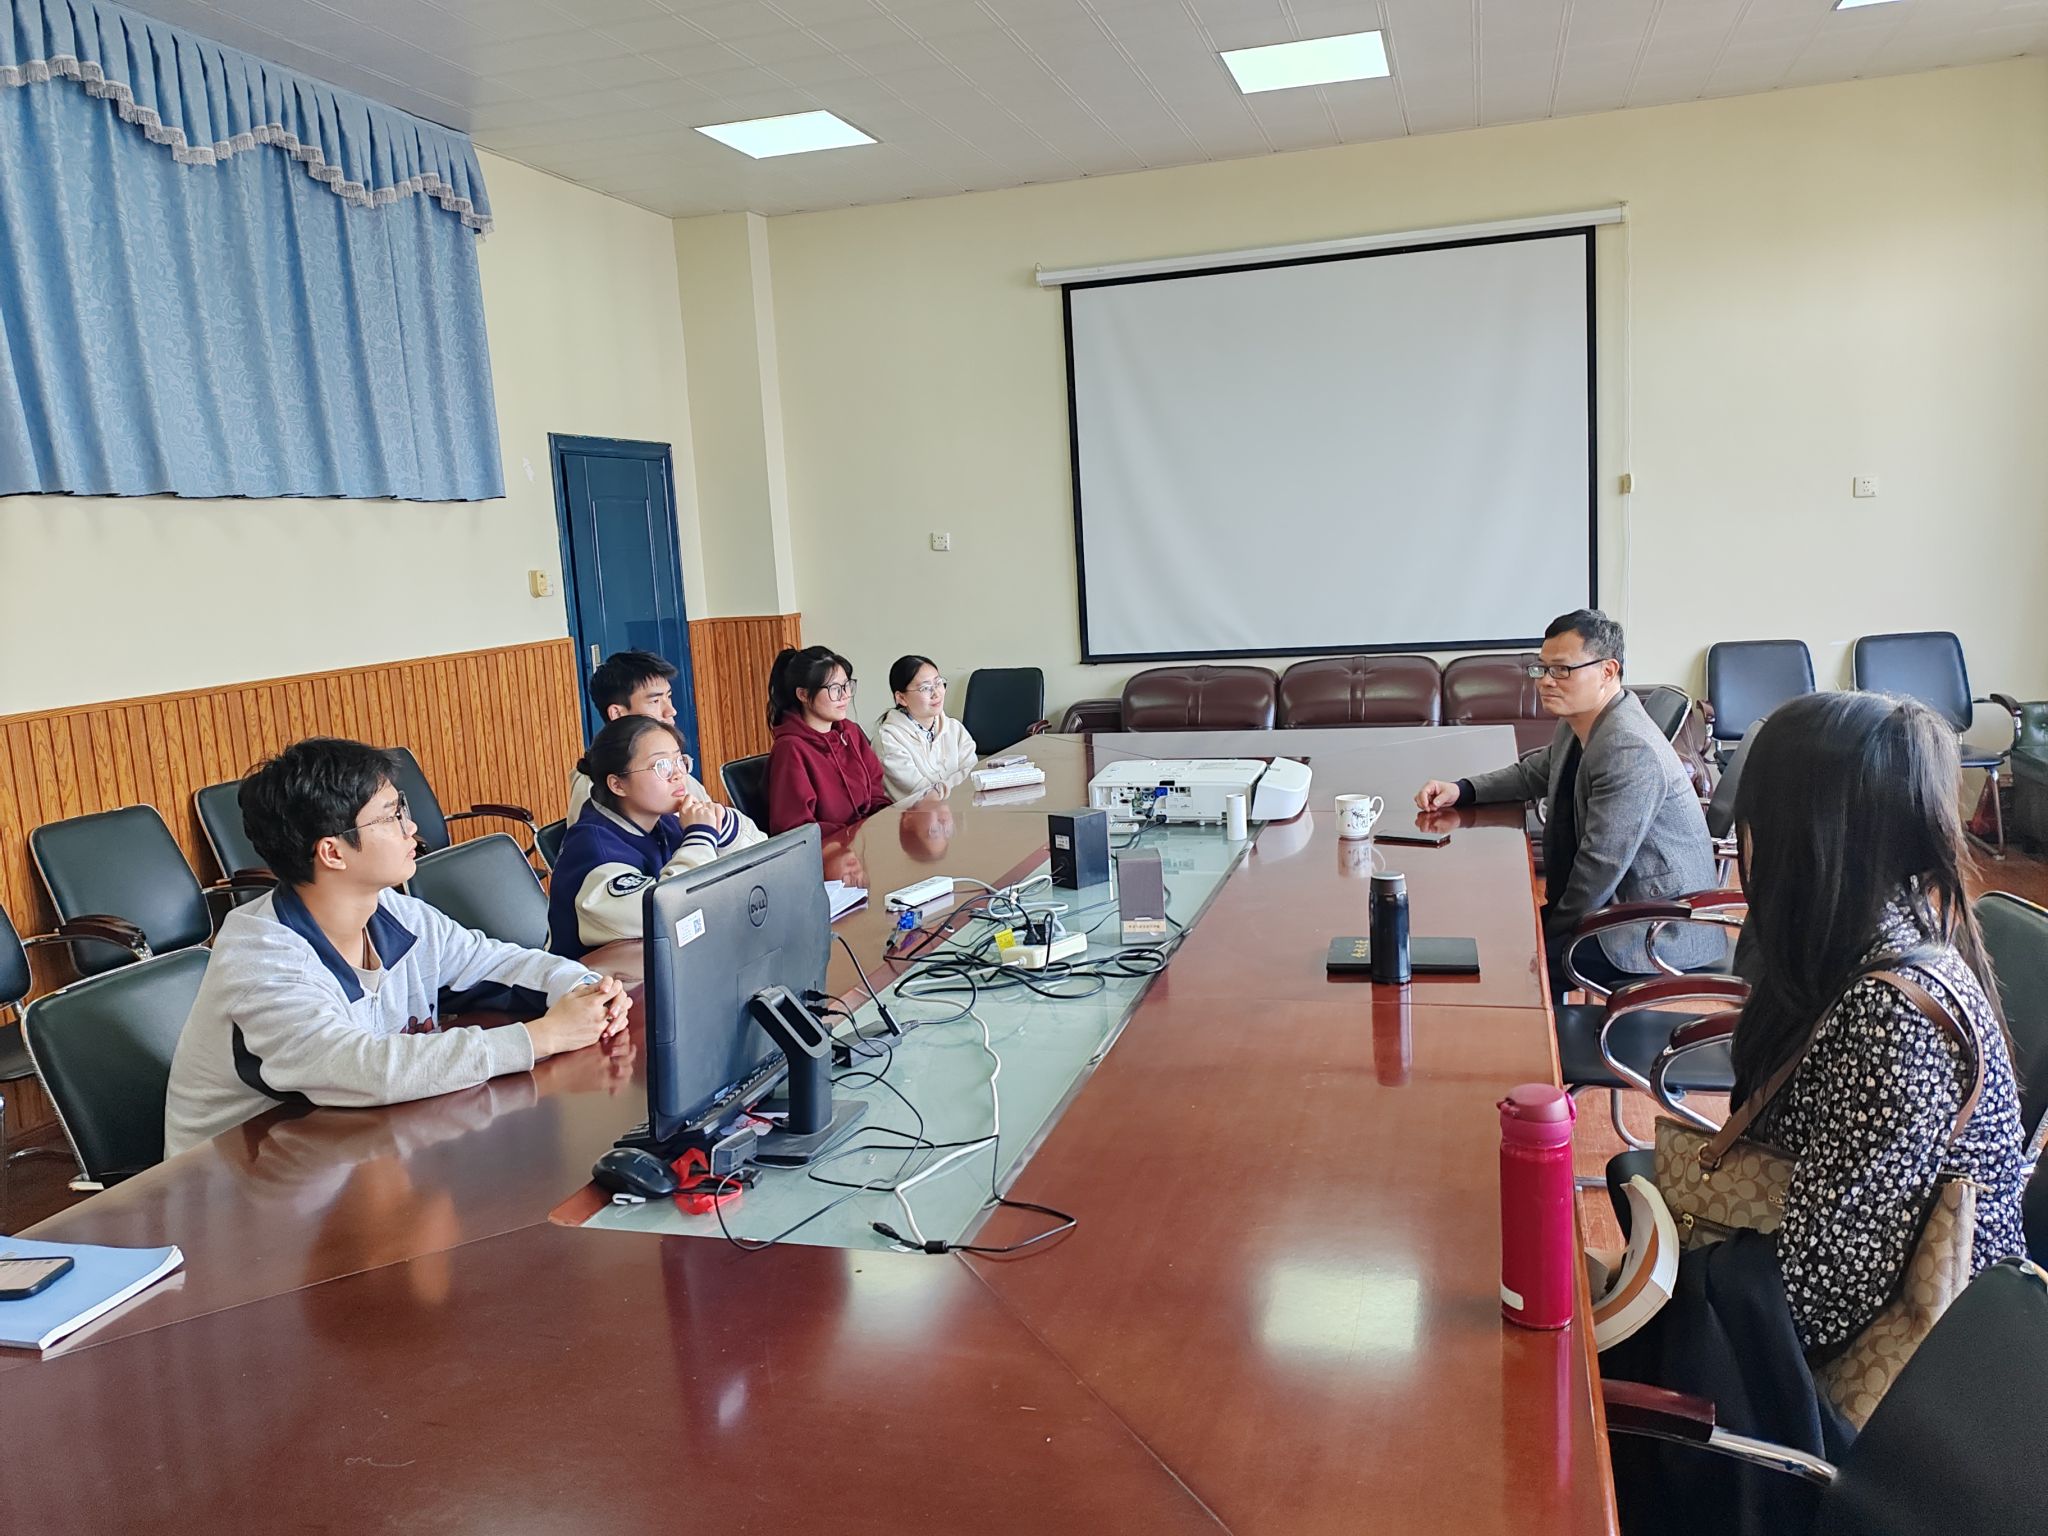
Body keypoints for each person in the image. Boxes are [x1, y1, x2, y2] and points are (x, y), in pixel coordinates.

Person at [1728, 691, 2025, 1353]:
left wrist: (1678, 1276)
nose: (1743, 841)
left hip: (1907, 1377)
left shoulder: (1892, 1015)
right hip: (1812, 1267)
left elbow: (1820, 1304)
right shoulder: (1866, 935)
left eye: (1754, 821)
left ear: (1805, 838)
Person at [165, 738, 629, 1157]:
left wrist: (587, 990)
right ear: (332, 852)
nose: (413, 828)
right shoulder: (260, 957)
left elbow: (498, 962)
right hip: (236, 1186)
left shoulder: (394, 911)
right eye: (390, 817)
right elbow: (360, 1069)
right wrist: (543, 1037)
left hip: (351, 1151)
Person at [1415, 610, 1718, 994]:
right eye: (1542, 669)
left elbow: (1600, 865)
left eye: (1561, 670)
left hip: (1650, 927)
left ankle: (1546, 1028)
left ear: (1608, 671)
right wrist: (1463, 790)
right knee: (1498, 936)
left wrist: (1548, 932)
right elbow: (1534, 772)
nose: (1545, 681)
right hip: (1614, 905)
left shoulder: (1629, 747)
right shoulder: (1582, 720)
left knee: (1512, 966)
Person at [548, 715, 728, 959]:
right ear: (617, 785)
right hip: (592, 979)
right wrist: (701, 837)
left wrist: (721, 823)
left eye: (679, 761)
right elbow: (666, 913)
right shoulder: (594, 849)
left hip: (660, 964)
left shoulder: (664, 821)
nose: (678, 774)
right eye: (661, 766)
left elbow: (754, 856)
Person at [565, 651, 765, 867]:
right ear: (617, 713)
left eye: (668, 697)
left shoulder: (674, 772)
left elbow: (724, 841)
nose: (671, 710)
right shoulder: (593, 788)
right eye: (655, 700)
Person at [765, 644, 890, 835]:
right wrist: (852, 834)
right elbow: (795, 829)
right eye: (834, 689)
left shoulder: (850, 732)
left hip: (864, 840)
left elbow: (875, 792)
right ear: (803, 694)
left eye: (847, 685)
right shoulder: (790, 749)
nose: (845, 695)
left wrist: (887, 817)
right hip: (830, 847)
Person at [874, 655, 978, 800]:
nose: (936, 693)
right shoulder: (888, 740)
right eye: (925, 688)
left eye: (938, 683)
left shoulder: (954, 729)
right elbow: (923, 795)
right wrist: (954, 785)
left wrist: (942, 789)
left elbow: (974, 777)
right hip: (914, 814)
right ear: (902, 698)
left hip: (960, 809)